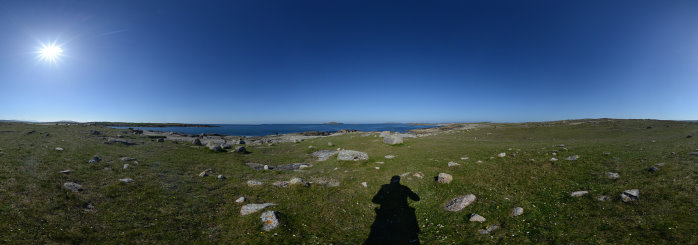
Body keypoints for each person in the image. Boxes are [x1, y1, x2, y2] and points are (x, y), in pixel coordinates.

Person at [365, 176, 420, 245]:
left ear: (391, 181)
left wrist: (385, 202)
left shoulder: (384, 188)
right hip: (402, 212)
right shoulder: (404, 188)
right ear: (399, 181)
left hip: (386, 213)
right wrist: (416, 194)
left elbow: (374, 200)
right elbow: (416, 198)